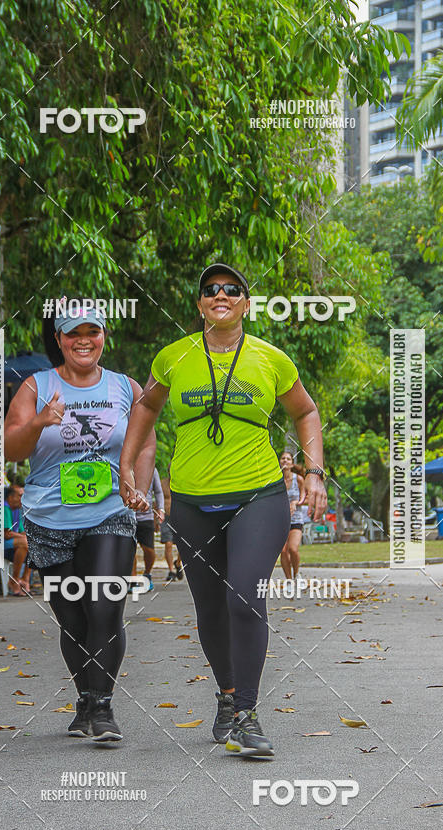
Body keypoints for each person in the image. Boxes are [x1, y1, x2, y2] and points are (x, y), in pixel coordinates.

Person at [119, 263, 327, 757]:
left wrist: (314, 472)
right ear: (199, 304)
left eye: (232, 290)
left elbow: (306, 411)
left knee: (243, 598)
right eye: (211, 290)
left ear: (246, 304)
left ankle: (248, 715)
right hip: (191, 501)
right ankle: (229, 696)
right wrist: (128, 464)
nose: (221, 295)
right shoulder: (173, 357)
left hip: (258, 495)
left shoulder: (271, 359)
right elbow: (146, 408)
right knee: (209, 607)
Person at [4, 306, 155, 742]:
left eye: (93, 331)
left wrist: (136, 487)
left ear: (104, 336)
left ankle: (103, 708)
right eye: (74, 334)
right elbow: (12, 448)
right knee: (72, 618)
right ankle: (85, 700)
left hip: (109, 512)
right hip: (49, 518)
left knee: (104, 606)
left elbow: (146, 441)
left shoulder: (125, 387)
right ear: (60, 338)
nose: (83, 340)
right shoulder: (37, 386)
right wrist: (38, 422)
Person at [132, 468, 165, 590]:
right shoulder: (125, 464)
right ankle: (133, 580)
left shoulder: (152, 469)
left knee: (149, 550)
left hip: (146, 516)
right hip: (128, 515)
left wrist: (161, 509)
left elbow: (158, 491)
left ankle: (147, 573)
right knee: (130, 549)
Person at [279, 452, 306, 581]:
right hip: (280, 521)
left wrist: (296, 502)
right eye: (283, 458)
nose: (285, 460)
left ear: (292, 463)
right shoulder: (276, 481)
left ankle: (296, 573)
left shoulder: (298, 479)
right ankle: (289, 579)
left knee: (293, 549)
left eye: (288, 459)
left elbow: (306, 498)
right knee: (283, 551)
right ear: (279, 462)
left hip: (296, 520)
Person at [3, 484, 30, 596]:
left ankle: (25, 580)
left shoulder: (18, 510)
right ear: (10, 497)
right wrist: (24, 538)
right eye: (20, 496)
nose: (22, 499)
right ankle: (14, 581)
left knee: (34, 543)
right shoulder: (3, 508)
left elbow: (21, 531)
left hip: (12, 544)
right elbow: (6, 534)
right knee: (24, 542)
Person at [160, 468, 183, 583]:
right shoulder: (162, 483)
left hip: (179, 516)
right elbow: (158, 499)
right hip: (165, 517)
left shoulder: (181, 482)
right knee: (168, 543)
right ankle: (171, 571)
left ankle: (178, 563)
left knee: (182, 545)